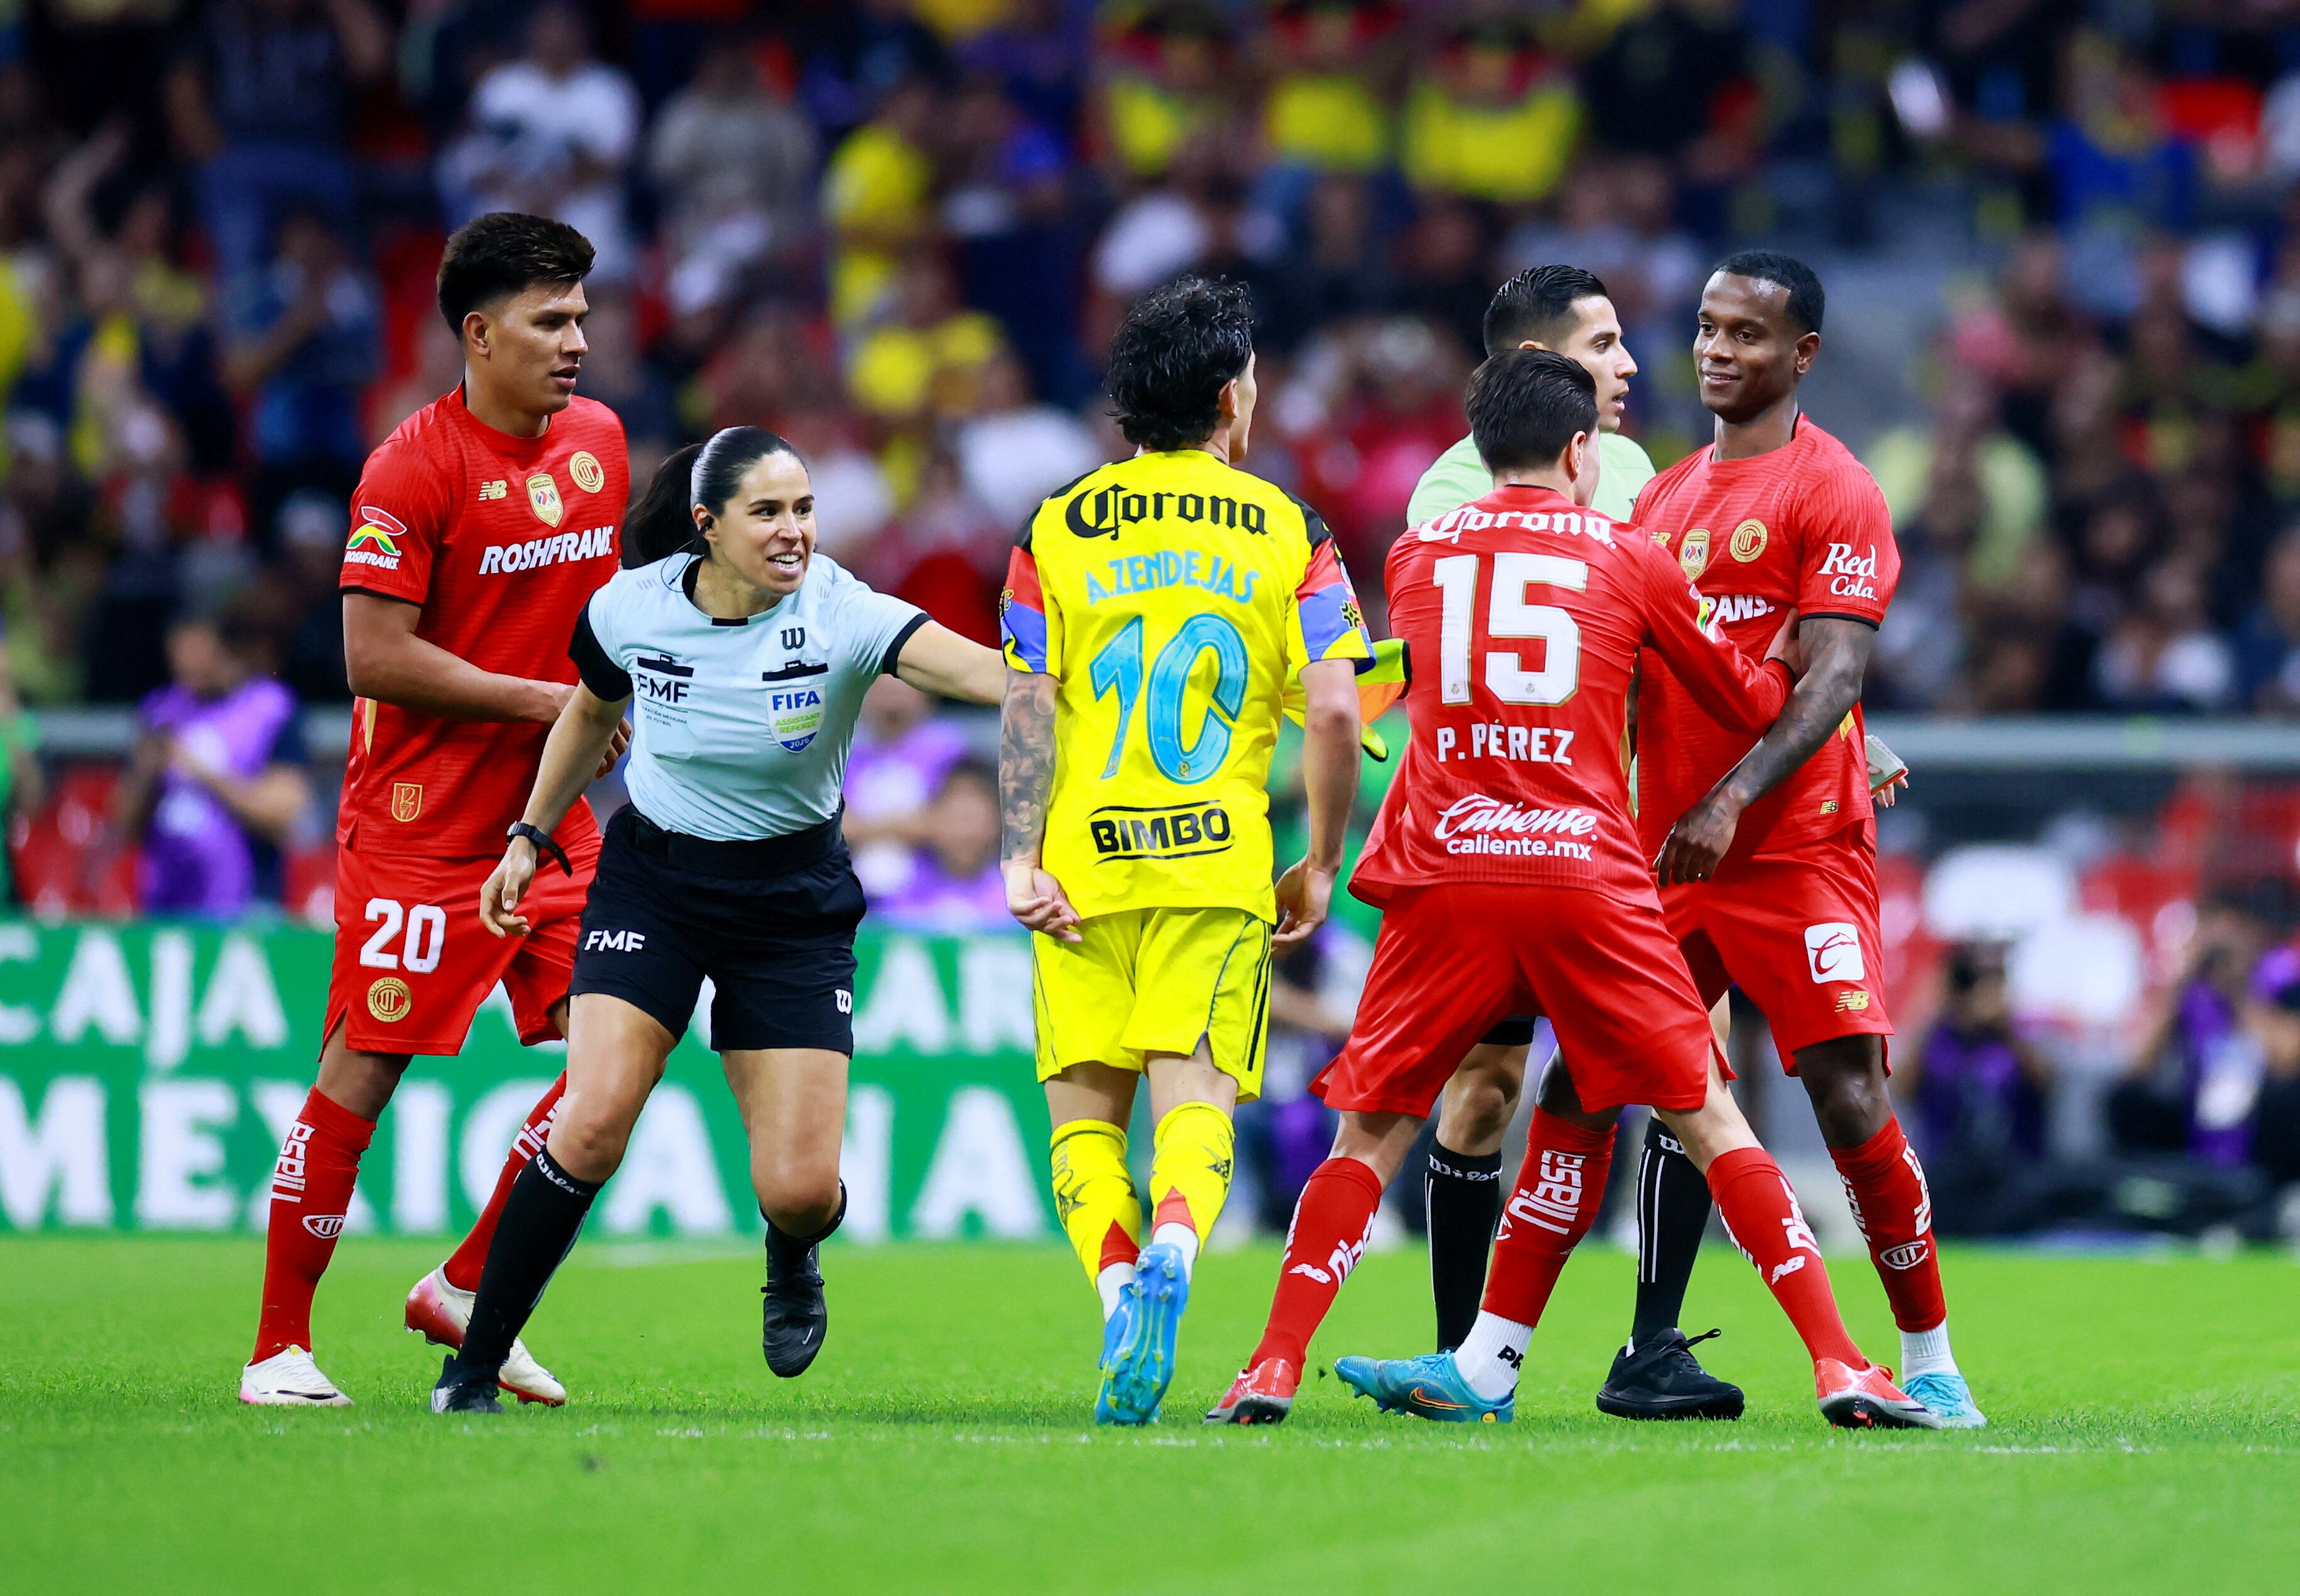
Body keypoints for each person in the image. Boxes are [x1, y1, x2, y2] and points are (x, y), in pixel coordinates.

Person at [1213, 349, 1935, 1431]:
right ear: (1581, 449)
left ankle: (1272, 1366)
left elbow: (1396, 687)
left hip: (1445, 862)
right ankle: (1842, 1363)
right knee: (1708, 1116)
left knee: (1371, 1131)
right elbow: (1737, 697)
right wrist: (1786, 665)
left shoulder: (1414, 556)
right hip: (1581, 874)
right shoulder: (1627, 553)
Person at [430, 427, 1008, 1415]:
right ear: (707, 526)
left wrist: (1086, 672)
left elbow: (993, 678)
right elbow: (587, 711)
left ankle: (793, 1255)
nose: (796, 533)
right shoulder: (628, 610)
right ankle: (472, 1368)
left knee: (796, 1190)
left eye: (806, 510)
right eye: (769, 513)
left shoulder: (846, 612)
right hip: (656, 884)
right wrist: (529, 832)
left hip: (792, 908)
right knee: (593, 1117)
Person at [239, 214, 628, 1411]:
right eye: (548, 320)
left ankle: (467, 1286)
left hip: (554, 818)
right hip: (420, 824)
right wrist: (558, 701)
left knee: (619, 1055)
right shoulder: (411, 466)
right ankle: (277, 1350)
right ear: (478, 331)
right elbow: (372, 657)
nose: (576, 341)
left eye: (580, 317)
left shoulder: (602, 443)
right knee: (363, 1074)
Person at [999, 275, 1371, 1426]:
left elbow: (1025, 702)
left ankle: (1121, 1294)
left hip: (1079, 869)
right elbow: (1339, 713)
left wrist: (1020, 855)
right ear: (1228, 397)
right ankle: (1173, 1243)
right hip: (1216, 865)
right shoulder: (1292, 531)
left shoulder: (1053, 526)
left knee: (1081, 1122)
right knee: (1197, 1102)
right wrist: (1316, 858)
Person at [1628, 252, 1984, 1428]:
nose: (1719, 349)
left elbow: (1832, 670)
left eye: (1748, 333)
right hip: (1672, 847)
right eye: (1708, 327)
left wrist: (1733, 797)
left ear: (1804, 356)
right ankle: (1574, 1350)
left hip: (1796, 849)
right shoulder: (1662, 504)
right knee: (1635, 1081)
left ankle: (1927, 1357)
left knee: (1847, 1092)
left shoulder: (1838, 489)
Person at [114, 615, 311, 917]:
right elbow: (125, 825)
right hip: (165, 904)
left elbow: (283, 812)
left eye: (197, 653)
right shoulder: (159, 712)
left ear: (227, 651)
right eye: (178, 654)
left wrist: (205, 775)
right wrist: (147, 773)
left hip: (248, 905)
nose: (186, 665)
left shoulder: (271, 709)